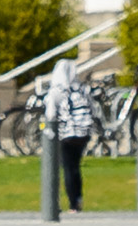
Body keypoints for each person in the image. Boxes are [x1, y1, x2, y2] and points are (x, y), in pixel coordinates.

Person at [37, 52, 99, 212]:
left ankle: (65, 203)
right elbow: (94, 109)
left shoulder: (56, 92)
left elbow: (50, 116)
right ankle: (78, 199)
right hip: (83, 133)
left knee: (66, 168)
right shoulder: (83, 89)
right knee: (75, 167)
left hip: (66, 134)